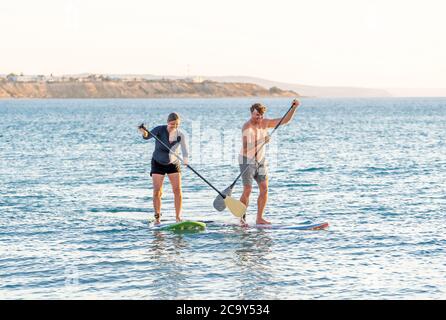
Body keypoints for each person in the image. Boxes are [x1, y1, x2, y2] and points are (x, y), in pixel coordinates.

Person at [239, 99, 300, 225]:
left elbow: (284, 120)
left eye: (261, 115)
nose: (259, 118)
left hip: (261, 161)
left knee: (264, 189)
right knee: (247, 190)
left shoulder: (265, 123)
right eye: (257, 115)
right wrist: (262, 141)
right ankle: (242, 219)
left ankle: (259, 218)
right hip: (247, 161)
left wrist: (294, 108)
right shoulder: (247, 126)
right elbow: (245, 147)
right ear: (251, 114)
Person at [138, 112, 189, 224]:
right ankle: (157, 218)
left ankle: (178, 217)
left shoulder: (180, 135)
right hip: (158, 163)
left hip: (173, 163)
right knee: (157, 191)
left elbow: (185, 150)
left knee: (177, 190)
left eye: (176, 125)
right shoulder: (159, 130)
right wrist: (143, 132)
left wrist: (185, 159)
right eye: (172, 124)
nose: (174, 127)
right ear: (167, 123)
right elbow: (147, 137)